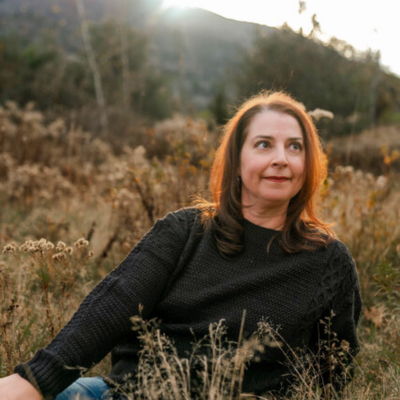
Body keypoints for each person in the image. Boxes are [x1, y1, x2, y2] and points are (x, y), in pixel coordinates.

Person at [0, 91, 362, 399]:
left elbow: (333, 368)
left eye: (294, 147)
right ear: (237, 161)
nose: (281, 158)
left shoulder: (328, 262)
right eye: (264, 144)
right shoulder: (185, 230)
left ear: (307, 163)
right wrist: (34, 382)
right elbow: (112, 304)